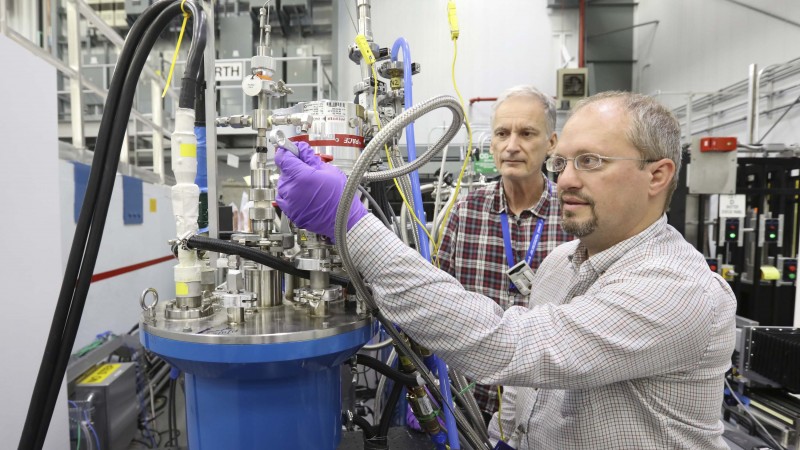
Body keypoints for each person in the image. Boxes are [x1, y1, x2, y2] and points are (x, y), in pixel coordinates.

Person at [275, 91, 737, 449]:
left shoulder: (678, 288)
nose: (567, 179)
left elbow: (510, 347)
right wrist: (505, 436)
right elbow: (524, 385)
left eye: (590, 162)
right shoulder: (561, 262)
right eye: (564, 163)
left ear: (657, 175)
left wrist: (353, 223)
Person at [436, 85, 573, 422]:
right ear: (492, 142)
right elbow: (441, 299)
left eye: (527, 133)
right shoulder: (466, 209)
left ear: (551, 143)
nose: (512, 146)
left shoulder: (573, 215)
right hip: (470, 400)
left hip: (545, 408)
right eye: (502, 133)